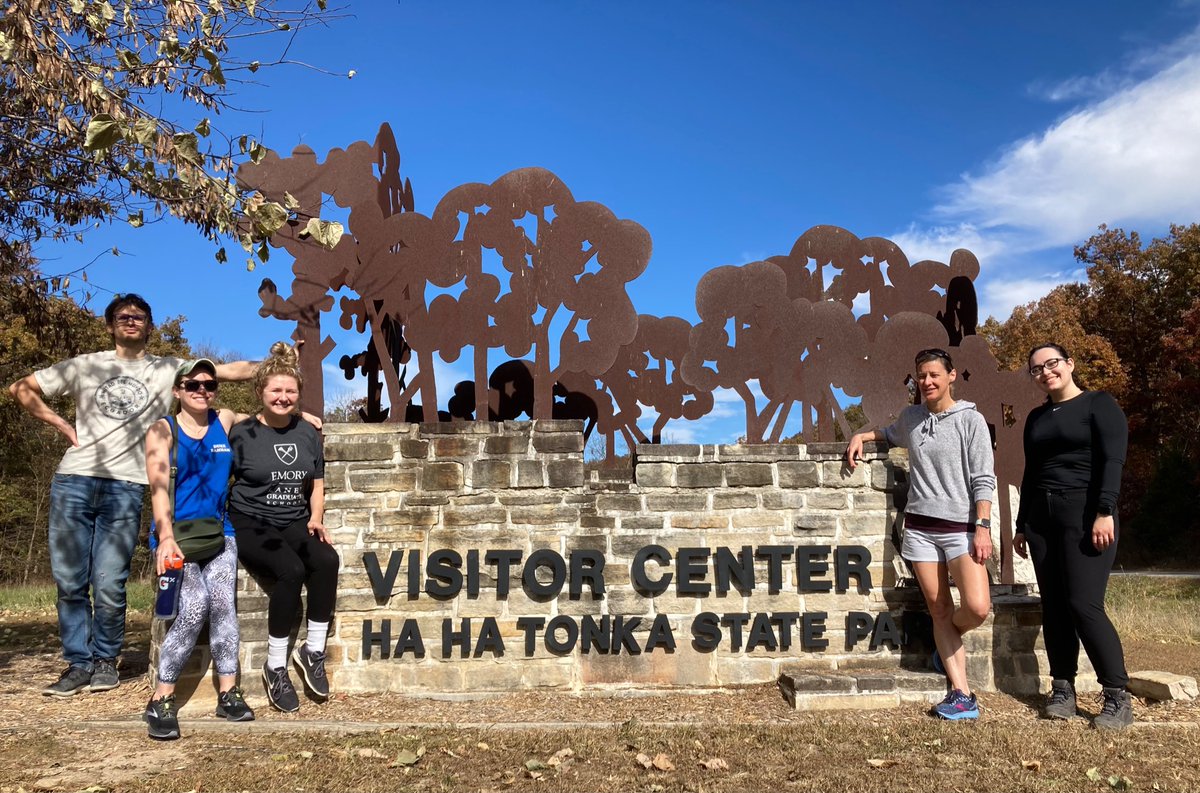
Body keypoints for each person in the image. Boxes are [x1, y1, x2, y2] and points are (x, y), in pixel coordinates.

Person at [7, 294, 256, 697]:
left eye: (139, 317)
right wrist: (61, 426)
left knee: (109, 579)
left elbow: (230, 371)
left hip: (126, 485)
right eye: (123, 316)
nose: (131, 321)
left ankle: (106, 660)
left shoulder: (168, 369)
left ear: (148, 325)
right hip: (74, 479)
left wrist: (282, 363)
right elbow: (21, 388)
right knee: (70, 580)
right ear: (110, 325)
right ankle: (76, 663)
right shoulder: (85, 365)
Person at [847, 348, 995, 720]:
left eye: (933, 375)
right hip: (921, 531)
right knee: (940, 608)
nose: (926, 382)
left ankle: (945, 643)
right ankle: (962, 694)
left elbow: (983, 478)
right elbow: (888, 433)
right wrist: (861, 436)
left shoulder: (970, 420)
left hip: (961, 529)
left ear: (951, 376)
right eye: (920, 377)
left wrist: (983, 527)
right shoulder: (912, 418)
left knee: (977, 607)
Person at [1015, 343, 1133, 730]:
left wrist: (1105, 510)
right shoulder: (1036, 417)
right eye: (1037, 369)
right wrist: (1019, 524)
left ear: (1069, 364)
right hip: (1041, 519)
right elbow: (1031, 474)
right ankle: (1063, 689)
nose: (1046, 372)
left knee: (1084, 605)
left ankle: (1117, 695)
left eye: (1052, 364)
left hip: (1085, 514)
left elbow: (1113, 460)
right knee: (1054, 606)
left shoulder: (1100, 404)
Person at [142, 359, 254, 739]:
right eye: (193, 385)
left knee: (224, 604)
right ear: (177, 390)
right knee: (193, 607)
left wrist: (304, 410)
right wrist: (165, 536)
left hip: (220, 535)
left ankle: (228, 692)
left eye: (209, 384)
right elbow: (157, 488)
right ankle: (161, 698)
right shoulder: (163, 429)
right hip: (176, 538)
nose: (202, 390)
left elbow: (267, 401)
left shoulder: (222, 420)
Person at [228, 342, 338, 713]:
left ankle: (313, 651)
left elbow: (317, 481)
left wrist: (316, 517)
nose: (283, 397)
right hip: (250, 520)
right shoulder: (240, 432)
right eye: (276, 390)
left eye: (290, 391)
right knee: (290, 570)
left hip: (293, 519)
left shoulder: (308, 431)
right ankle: (275, 665)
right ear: (261, 391)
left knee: (326, 560)